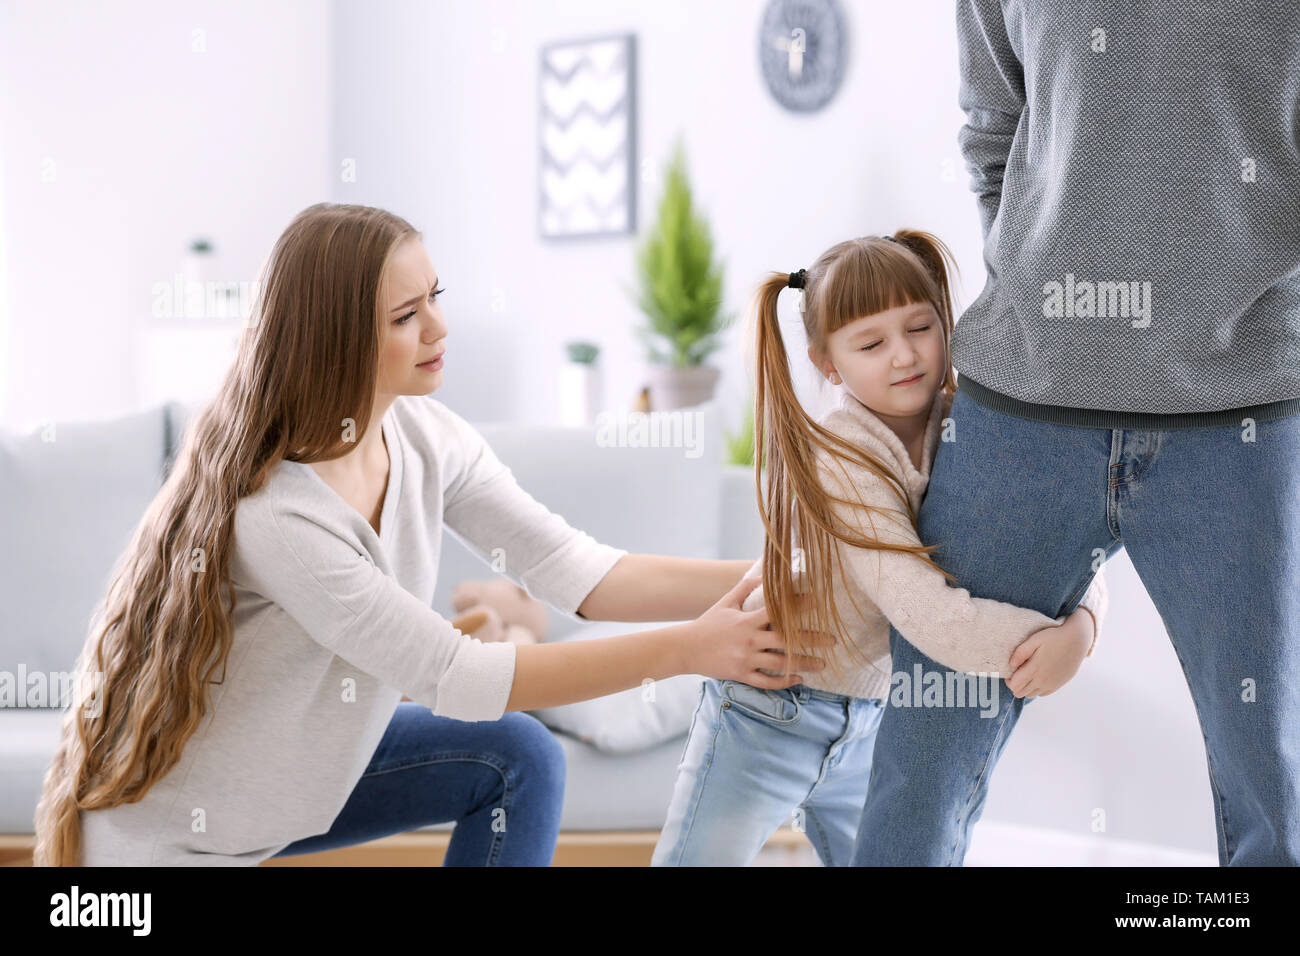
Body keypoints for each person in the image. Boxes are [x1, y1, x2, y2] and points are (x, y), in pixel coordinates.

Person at [32, 202, 831, 867]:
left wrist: (786, 571)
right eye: (407, 317)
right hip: (165, 853)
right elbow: (460, 676)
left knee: (519, 756)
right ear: (337, 339)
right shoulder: (277, 516)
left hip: (287, 799)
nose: (440, 328)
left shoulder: (424, 437)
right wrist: (691, 648)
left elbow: (576, 571)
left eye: (435, 297)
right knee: (500, 725)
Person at [852, 1, 1300, 866]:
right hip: (1018, 408)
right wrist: (1042, 299)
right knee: (918, 775)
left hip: (1242, 414)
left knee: (1271, 786)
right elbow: (993, 127)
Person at [652, 230, 1108, 866]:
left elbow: (1058, 532)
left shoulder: (967, 421)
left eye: (920, 327)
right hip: (764, 711)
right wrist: (1045, 645)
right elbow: (931, 617)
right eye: (871, 343)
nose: (903, 356)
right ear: (828, 364)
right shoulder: (842, 457)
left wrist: (1083, 625)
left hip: (867, 715)